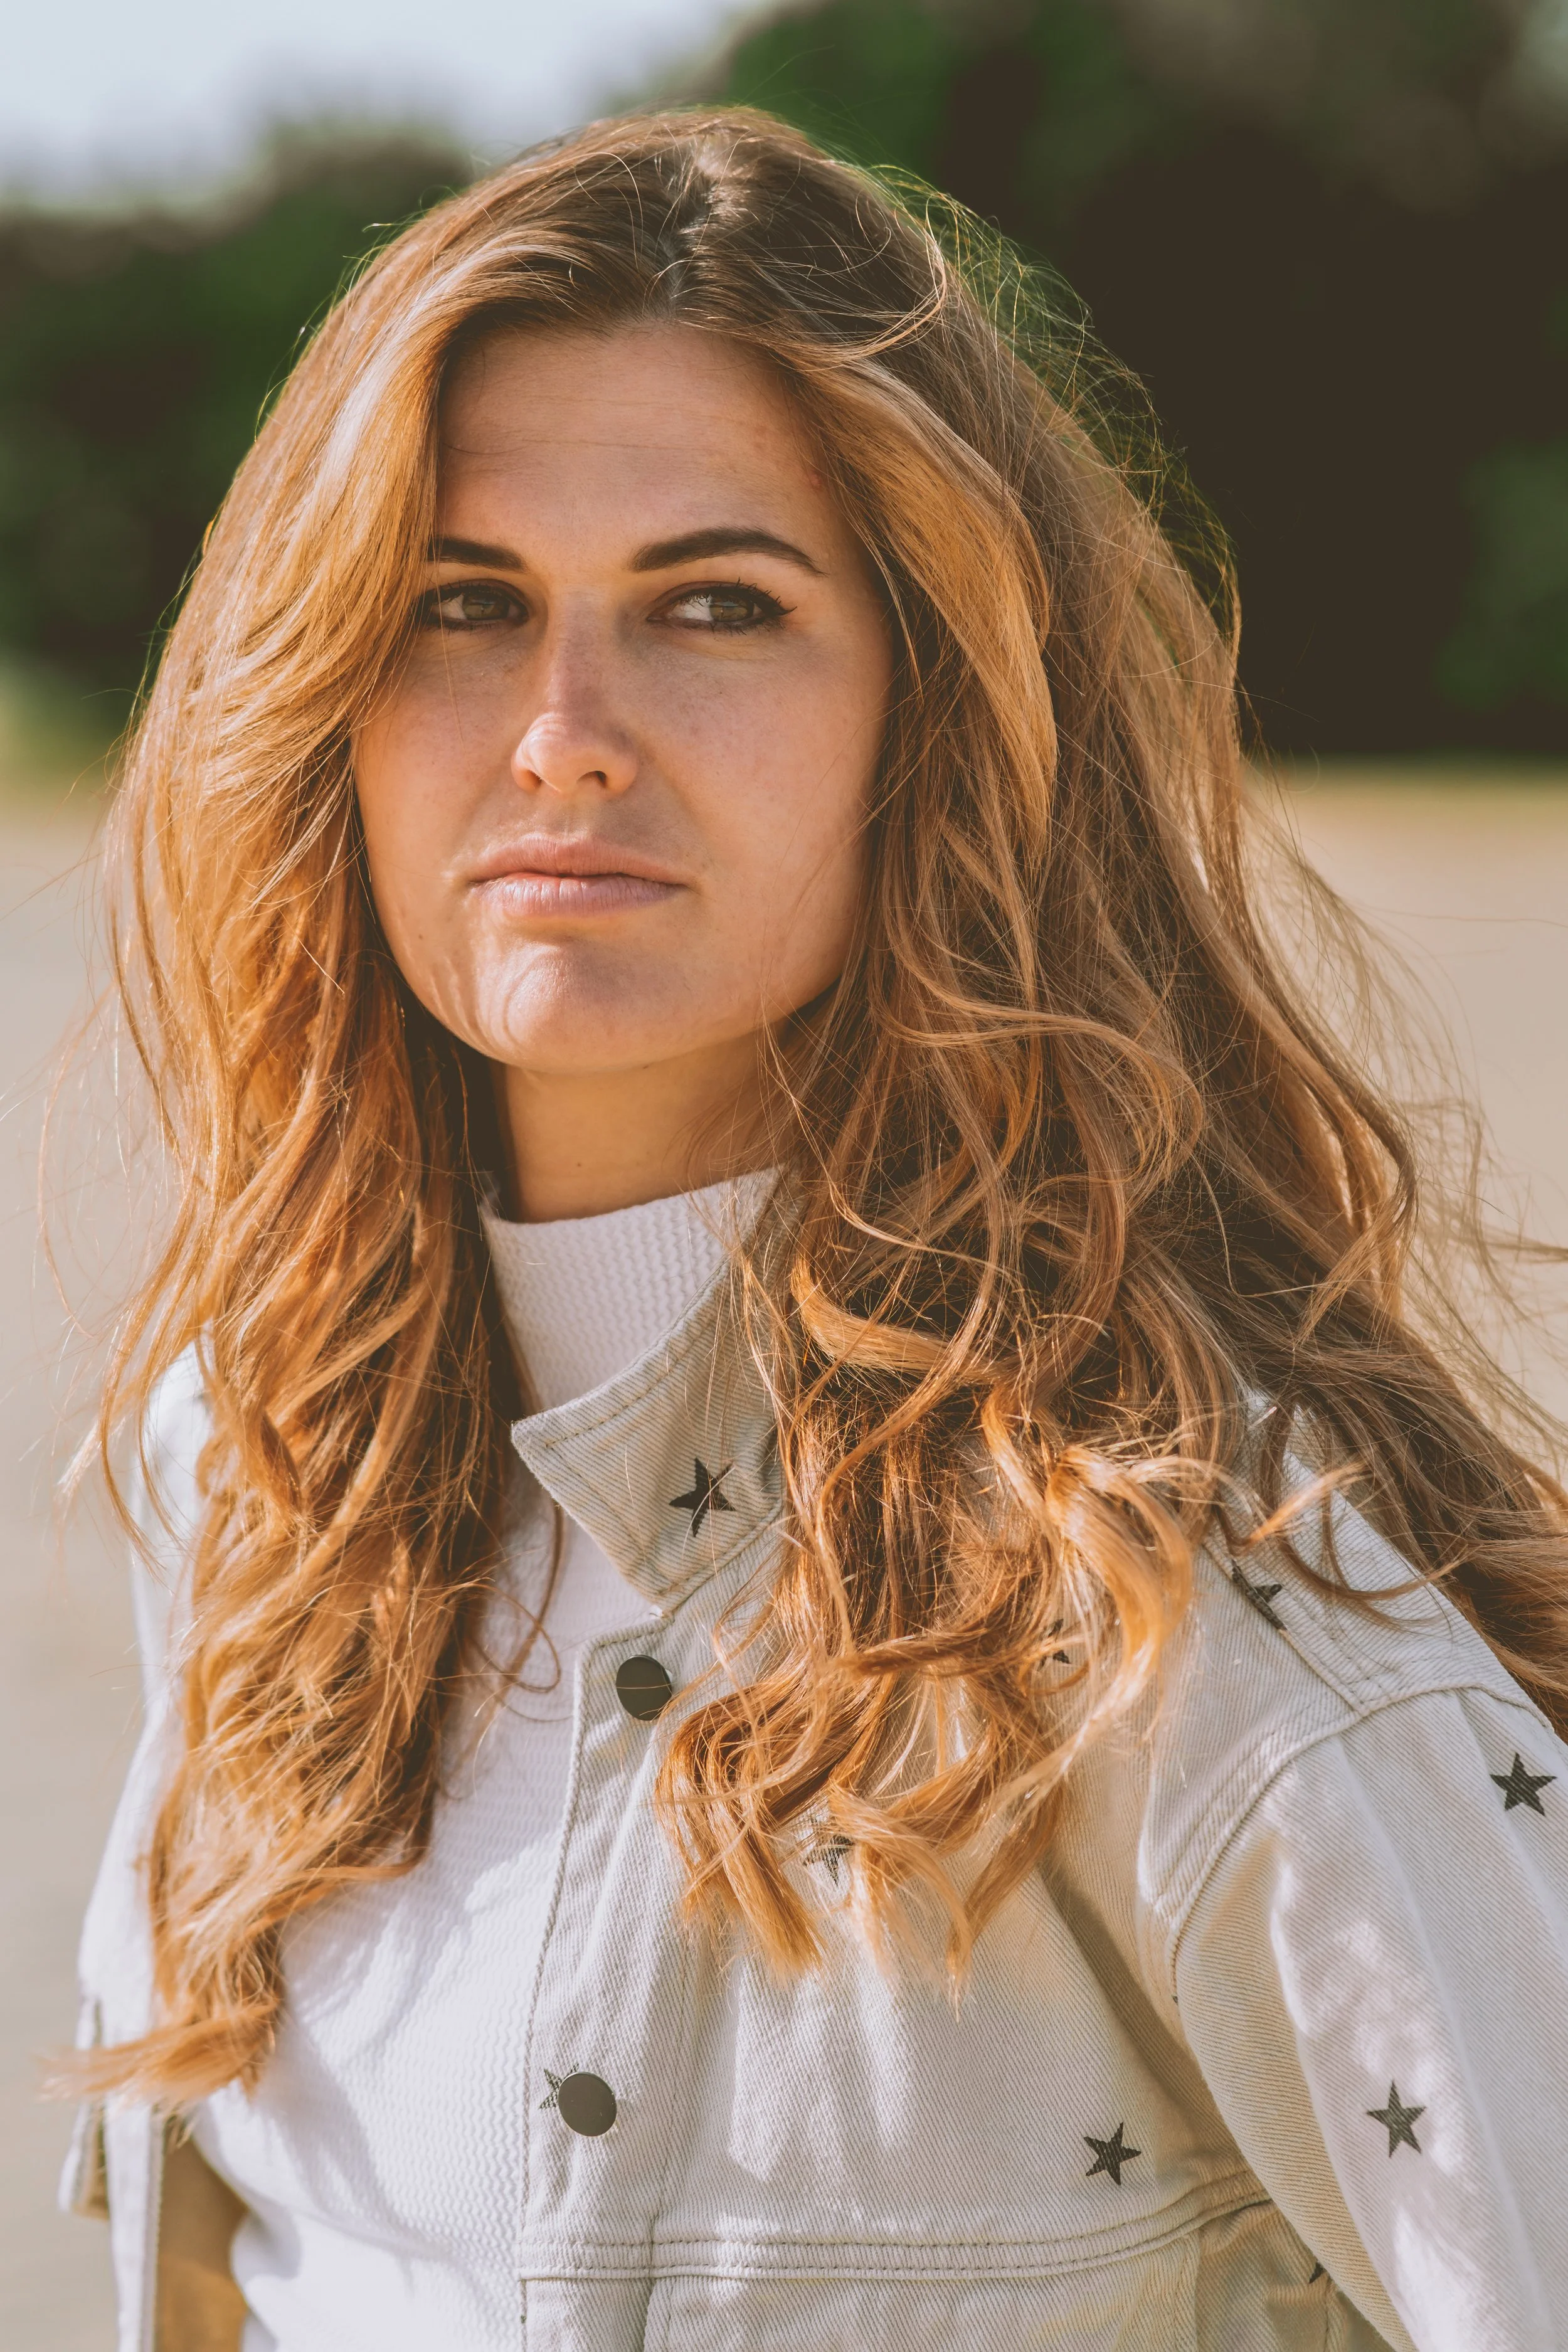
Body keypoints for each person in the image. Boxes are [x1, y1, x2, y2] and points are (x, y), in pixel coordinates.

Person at [60, 106, 1568, 2352]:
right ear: (327, 711)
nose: (562, 736)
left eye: (715, 604)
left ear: (934, 719)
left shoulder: (1177, 1595)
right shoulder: (257, 1470)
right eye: (461, 605)